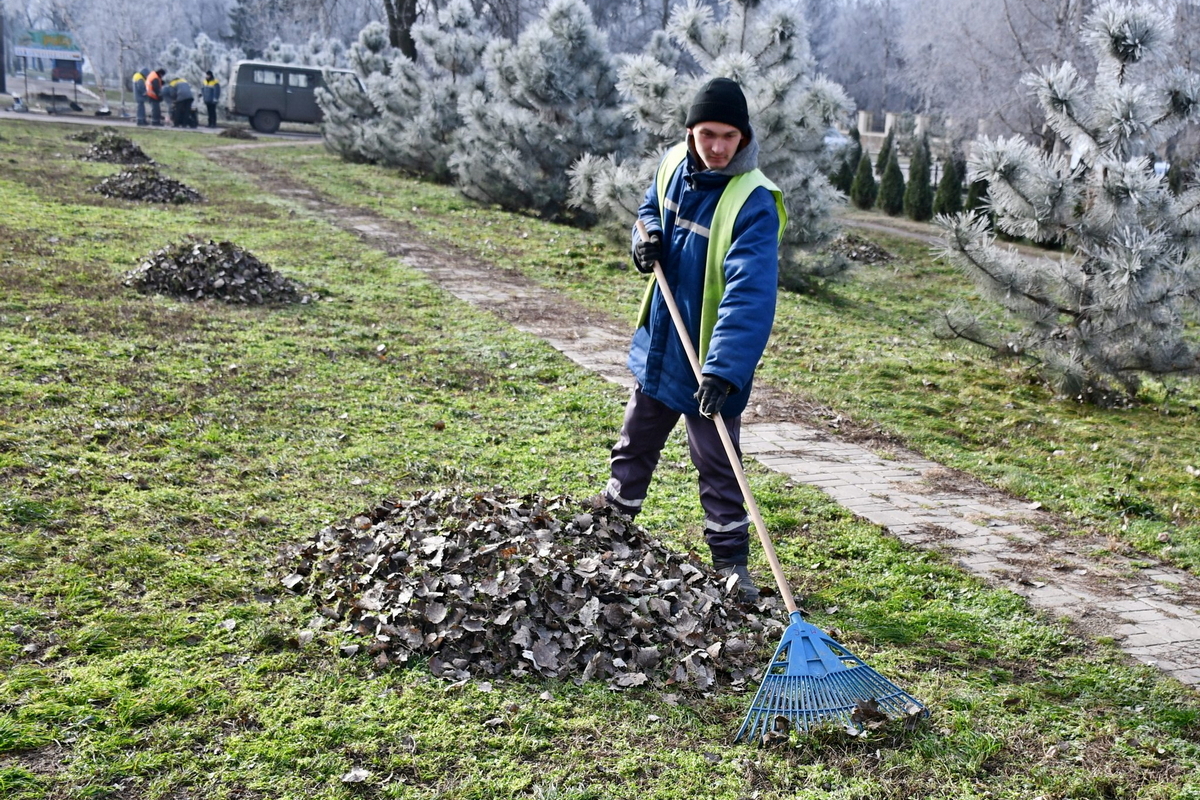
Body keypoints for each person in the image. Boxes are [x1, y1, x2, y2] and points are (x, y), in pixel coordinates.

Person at [596, 77, 787, 602]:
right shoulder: (672, 168)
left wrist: (725, 370)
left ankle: (731, 564)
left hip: (710, 359)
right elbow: (648, 207)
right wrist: (646, 238)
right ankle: (612, 521)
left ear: (745, 137)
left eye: (730, 136)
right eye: (708, 134)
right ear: (690, 132)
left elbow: (749, 295)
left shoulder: (753, 201)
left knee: (719, 464)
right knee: (636, 438)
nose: (719, 147)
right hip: (664, 342)